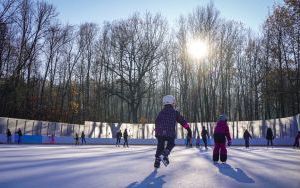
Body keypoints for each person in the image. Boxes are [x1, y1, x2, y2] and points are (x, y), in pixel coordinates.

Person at [154, 95, 192, 168]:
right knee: (171, 143)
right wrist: (188, 129)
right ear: (171, 102)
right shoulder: (174, 112)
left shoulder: (161, 112)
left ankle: (157, 161)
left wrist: (157, 133)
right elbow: (182, 121)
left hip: (160, 133)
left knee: (160, 146)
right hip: (169, 133)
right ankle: (164, 154)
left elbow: (156, 121)